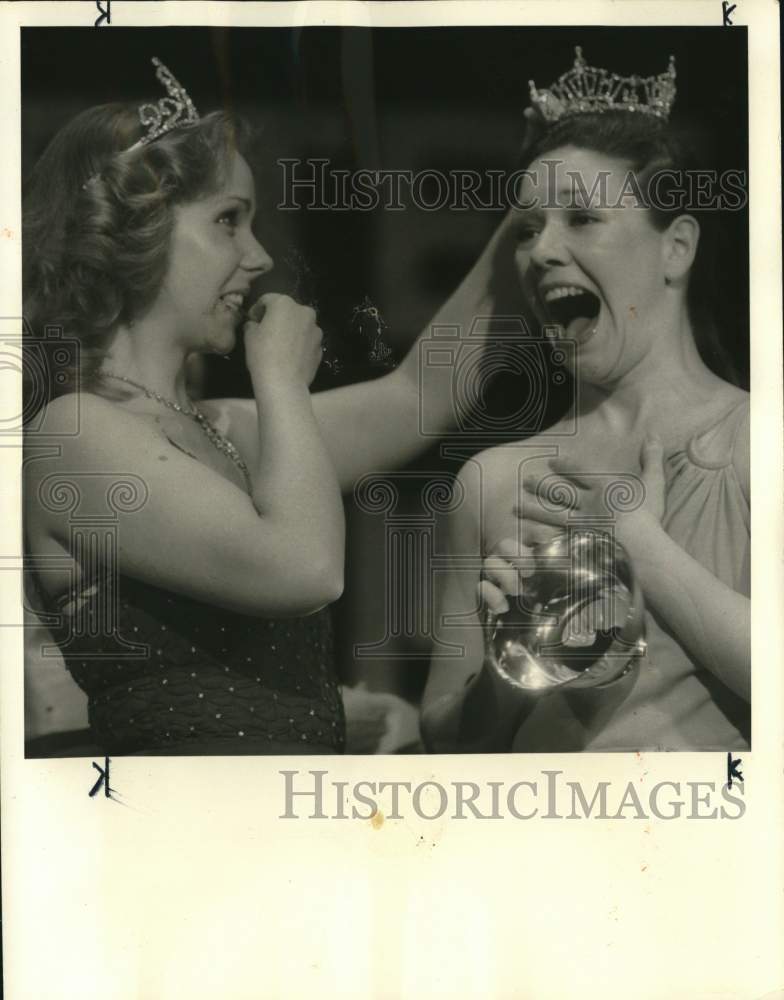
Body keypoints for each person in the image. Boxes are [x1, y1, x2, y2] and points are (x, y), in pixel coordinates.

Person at [22, 59, 504, 756]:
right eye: (228, 221)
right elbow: (307, 569)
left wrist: (531, 210)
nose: (258, 257)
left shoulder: (215, 429)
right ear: (139, 228)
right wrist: (281, 381)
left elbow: (425, 393)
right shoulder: (71, 434)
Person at [421, 49, 750, 753]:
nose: (541, 251)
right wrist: (515, 667)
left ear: (677, 248)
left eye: (581, 219)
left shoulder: (762, 439)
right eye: (528, 228)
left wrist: (638, 547)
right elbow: (448, 746)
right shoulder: (492, 483)